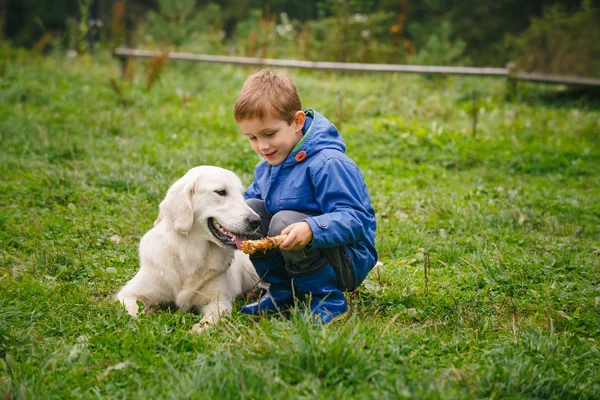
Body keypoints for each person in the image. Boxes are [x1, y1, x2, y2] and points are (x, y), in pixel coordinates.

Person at [235, 69, 377, 324]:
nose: (262, 146)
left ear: (297, 121)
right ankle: (283, 294)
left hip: (346, 260)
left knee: (284, 222)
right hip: (300, 254)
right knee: (250, 211)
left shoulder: (328, 163)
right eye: (252, 138)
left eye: (269, 134)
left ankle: (327, 301)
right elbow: (243, 209)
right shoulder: (268, 166)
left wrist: (313, 228)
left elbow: (356, 220)